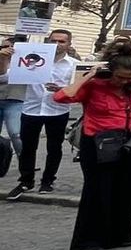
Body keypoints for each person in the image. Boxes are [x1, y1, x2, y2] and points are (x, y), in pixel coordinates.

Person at [54, 42, 131, 250]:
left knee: (126, 190)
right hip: (98, 143)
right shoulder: (94, 84)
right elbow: (62, 97)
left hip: (129, 141)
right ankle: (87, 242)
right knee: (98, 191)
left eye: (130, 77)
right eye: (120, 77)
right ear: (109, 71)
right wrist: (88, 76)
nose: (125, 82)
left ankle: (119, 235)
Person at [8, 29, 78, 201]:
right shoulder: (32, 58)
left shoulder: (73, 65)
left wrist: (62, 90)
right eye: (54, 41)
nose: (57, 44)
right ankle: (26, 181)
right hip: (32, 108)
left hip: (57, 110)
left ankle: (48, 180)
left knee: (54, 148)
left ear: (68, 44)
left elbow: (78, 90)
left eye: (62, 41)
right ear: (48, 41)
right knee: (27, 147)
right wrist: (6, 57)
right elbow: (7, 76)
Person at [0, 38, 26, 179]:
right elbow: (2, 76)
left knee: (16, 133)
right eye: (4, 46)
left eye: (11, 46)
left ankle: (25, 164)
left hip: (15, 99)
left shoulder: (24, 60)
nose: (7, 48)